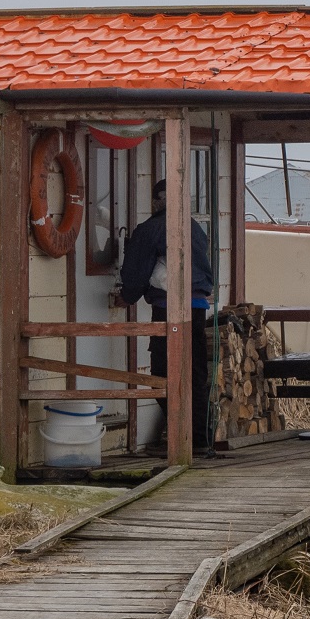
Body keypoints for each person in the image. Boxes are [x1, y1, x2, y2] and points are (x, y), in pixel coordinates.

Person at [118, 178, 216, 455]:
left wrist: (127, 296)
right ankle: (200, 438)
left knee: (163, 371)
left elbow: (136, 274)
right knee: (195, 371)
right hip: (197, 307)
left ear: (158, 200)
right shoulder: (195, 228)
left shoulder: (151, 229)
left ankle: (185, 437)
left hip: (169, 308)